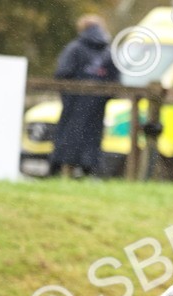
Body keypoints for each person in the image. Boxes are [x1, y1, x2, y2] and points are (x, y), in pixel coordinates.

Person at [51, 15, 120, 178]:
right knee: (92, 140)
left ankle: (65, 172)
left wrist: (70, 94)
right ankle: (88, 171)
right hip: (97, 109)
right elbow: (115, 82)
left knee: (69, 137)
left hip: (73, 105)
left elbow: (62, 74)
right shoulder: (108, 52)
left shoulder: (74, 48)